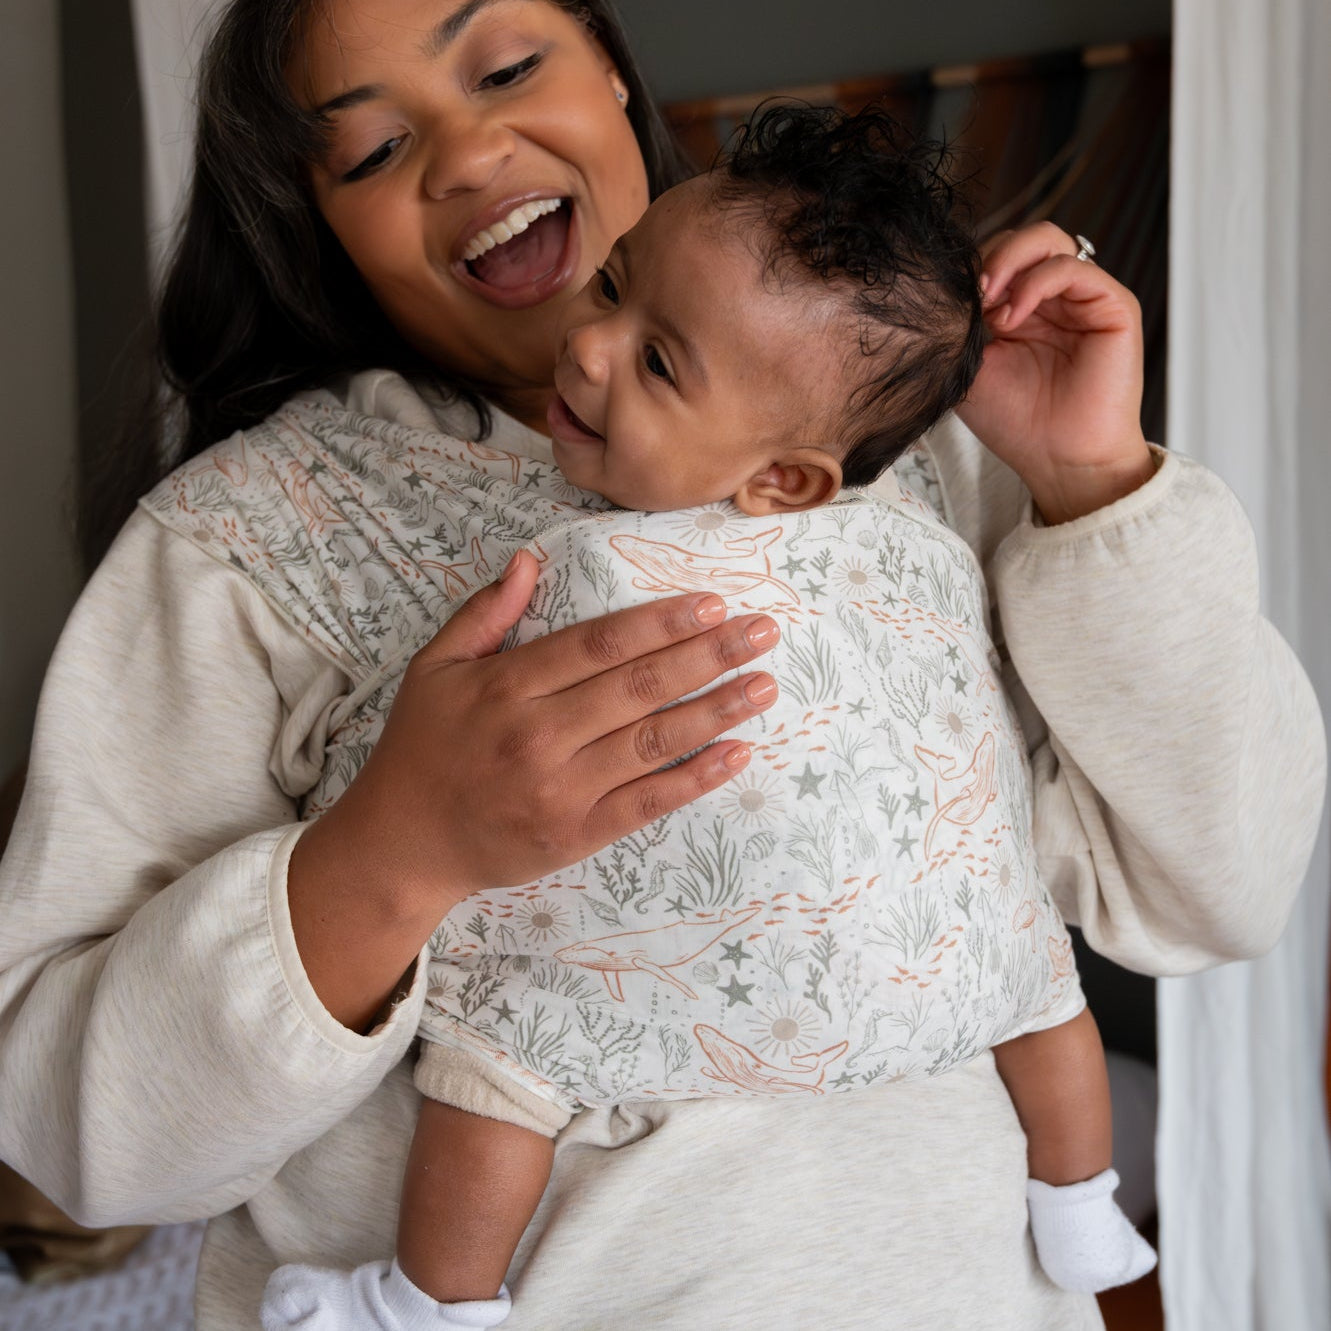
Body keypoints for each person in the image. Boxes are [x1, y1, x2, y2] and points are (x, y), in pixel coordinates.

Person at [0, 2, 1322, 1328]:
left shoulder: (917, 463)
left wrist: (1090, 484)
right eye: (370, 150)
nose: (463, 155)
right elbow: (85, 1142)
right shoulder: (246, 544)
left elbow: (1221, 890)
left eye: (507, 67)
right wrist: (391, 849)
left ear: (612, 73)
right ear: (313, 222)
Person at [259, 103, 1154, 1331]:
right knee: (1037, 980)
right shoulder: (918, 543)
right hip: (928, 952)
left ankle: (432, 1300)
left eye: (657, 361)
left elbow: (429, 742)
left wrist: (337, 763)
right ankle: (1080, 1198)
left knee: (500, 1066)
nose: (587, 350)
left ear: (781, 480)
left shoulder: (578, 568)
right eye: (616, 290)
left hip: (658, 983)